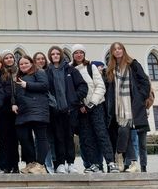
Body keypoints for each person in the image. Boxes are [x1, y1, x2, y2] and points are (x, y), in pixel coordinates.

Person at [71, 44, 119, 173]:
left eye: (81, 52)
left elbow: (100, 86)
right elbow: (72, 90)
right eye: (76, 52)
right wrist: (81, 105)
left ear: (84, 54)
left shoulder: (91, 67)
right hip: (81, 109)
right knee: (87, 137)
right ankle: (94, 164)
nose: (79, 55)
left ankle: (111, 162)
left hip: (96, 106)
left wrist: (92, 103)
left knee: (102, 134)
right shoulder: (71, 69)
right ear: (73, 55)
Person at [105, 42, 151, 173]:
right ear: (112, 52)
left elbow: (144, 82)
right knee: (125, 132)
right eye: (115, 49)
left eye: (120, 49)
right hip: (118, 108)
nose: (118, 51)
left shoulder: (133, 64)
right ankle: (131, 162)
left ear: (123, 50)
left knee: (126, 132)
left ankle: (122, 157)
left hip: (133, 106)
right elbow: (109, 89)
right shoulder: (111, 69)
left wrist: (140, 98)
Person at [46, 46, 88, 174]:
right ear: (50, 56)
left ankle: (70, 163)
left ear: (61, 55)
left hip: (70, 110)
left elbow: (83, 86)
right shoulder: (47, 72)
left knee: (69, 138)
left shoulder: (70, 70)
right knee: (58, 138)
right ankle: (60, 164)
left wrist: (74, 100)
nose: (55, 56)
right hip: (56, 111)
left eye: (57, 53)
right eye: (52, 54)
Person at [11, 55, 50, 174]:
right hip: (23, 111)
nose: (23, 65)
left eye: (26, 63)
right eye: (21, 64)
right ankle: (31, 163)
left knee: (41, 137)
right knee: (23, 137)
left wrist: (27, 85)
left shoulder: (39, 72)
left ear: (31, 63)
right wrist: (13, 103)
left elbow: (44, 86)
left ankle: (40, 164)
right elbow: (15, 92)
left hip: (38, 110)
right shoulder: (18, 77)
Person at [0, 50, 20, 173]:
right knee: (4, 139)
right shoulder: (0, 74)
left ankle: (15, 165)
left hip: (16, 110)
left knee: (14, 139)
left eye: (11, 57)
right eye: (6, 58)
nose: (9, 59)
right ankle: (5, 165)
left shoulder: (19, 72)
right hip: (3, 111)